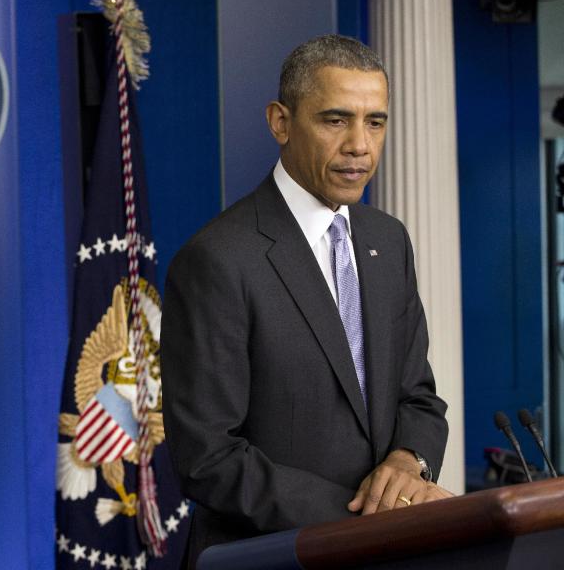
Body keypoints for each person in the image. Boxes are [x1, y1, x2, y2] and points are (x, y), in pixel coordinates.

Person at [160, 35, 451, 568]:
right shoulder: (217, 259)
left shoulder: (387, 239)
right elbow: (209, 458)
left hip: (388, 554)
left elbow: (419, 397)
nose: (361, 146)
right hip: (273, 557)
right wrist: (372, 515)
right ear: (281, 122)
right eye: (336, 120)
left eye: (376, 122)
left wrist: (409, 464)